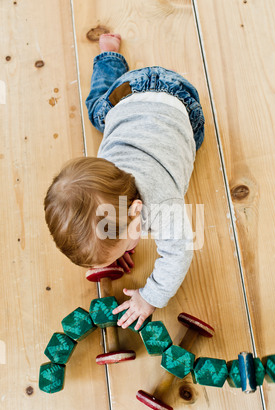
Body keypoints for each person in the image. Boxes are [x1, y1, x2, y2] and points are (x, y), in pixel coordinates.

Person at [44, 33, 205, 331]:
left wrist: (151, 297)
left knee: (194, 140)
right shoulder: (103, 171)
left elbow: (179, 253)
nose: (124, 253)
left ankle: (109, 57)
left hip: (178, 99)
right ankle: (109, 56)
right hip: (126, 94)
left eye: (121, 248)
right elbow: (99, 208)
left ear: (137, 210)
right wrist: (117, 242)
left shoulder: (163, 206)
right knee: (99, 112)